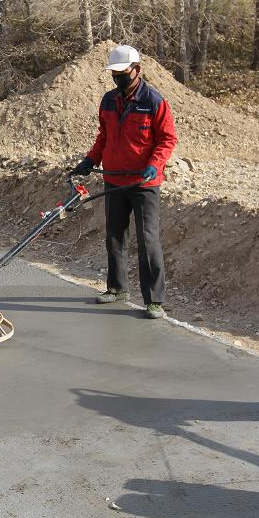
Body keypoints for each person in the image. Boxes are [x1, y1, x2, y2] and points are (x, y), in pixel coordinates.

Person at [72, 45, 178, 319]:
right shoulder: (108, 101)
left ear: (136, 70)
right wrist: (90, 161)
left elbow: (167, 139)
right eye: (114, 73)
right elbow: (104, 137)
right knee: (115, 236)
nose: (117, 78)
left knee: (148, 240)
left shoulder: (154, 101)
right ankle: (117, 288)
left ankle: (154, 300)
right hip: (114, 181)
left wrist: (154, 166)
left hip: (143, 185)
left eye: (122, 73)